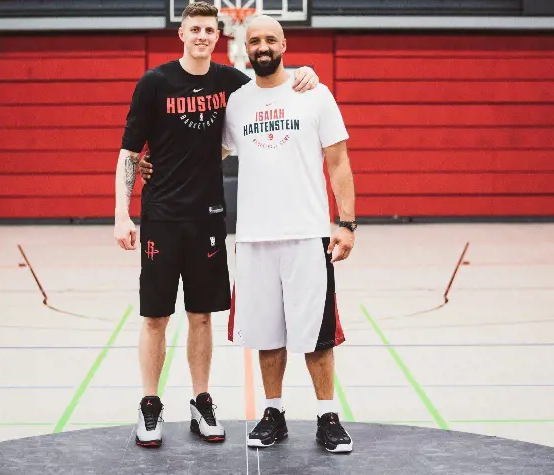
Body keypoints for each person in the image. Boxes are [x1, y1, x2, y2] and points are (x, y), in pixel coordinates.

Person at [115, 1, 319, 448]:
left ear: (218, 34)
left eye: (210, 29)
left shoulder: (232, 82)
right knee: (155, 316)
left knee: (201, 315)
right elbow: (130, 153)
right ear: (182, 34)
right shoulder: (154, 83)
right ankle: (150, 405)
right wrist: (121, 213)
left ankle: (201, 401)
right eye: (196, 29)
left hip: (208, 217)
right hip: (161, 217)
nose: (204, 36)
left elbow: (274, 86)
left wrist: (310, 74)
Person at [218, 15, 356, 453]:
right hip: (255, 237)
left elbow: (338, 162)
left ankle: (326, 415)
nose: (262, 46)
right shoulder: (236, 102)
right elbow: (206, 154)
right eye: (254, 39)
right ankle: (273, 412)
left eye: (270, 39)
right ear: (244, 46)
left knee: (315, 334)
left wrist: (347, 223)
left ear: (284, 44)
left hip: (307, 233)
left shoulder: (314, 93)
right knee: (266, 333)